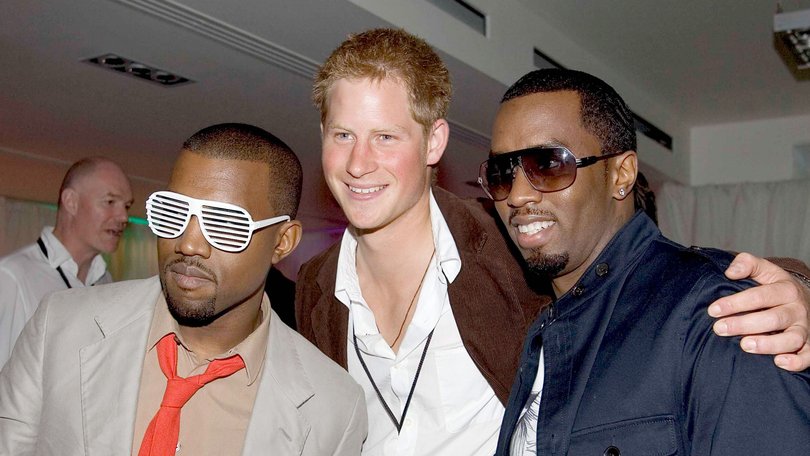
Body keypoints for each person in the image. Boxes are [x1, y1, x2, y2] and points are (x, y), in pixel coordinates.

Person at [296, 28, 810, 455]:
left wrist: (796, 287)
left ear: (434, 143)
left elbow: (678, 289)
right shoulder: (315, 284)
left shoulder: (508, 251)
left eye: (549, 165)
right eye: (343, 135)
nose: (519, 193)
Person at [489, 69, 810, 455]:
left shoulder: (715, 310)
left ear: (620, 174)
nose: (518, 195)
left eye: (549, 164)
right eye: (502, 172)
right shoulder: (541, 332)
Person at [0, 123, 367, 455]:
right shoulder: (60, 326)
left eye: (224, 223)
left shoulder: (332, 406)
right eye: (173, 211)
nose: (189, 244)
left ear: (282, 242)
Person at [0, 156, 133, 367]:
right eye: (110, 202)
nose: (124, 217)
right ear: (71, 202)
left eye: (126, 206)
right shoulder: (13, 278)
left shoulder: (106, 282)